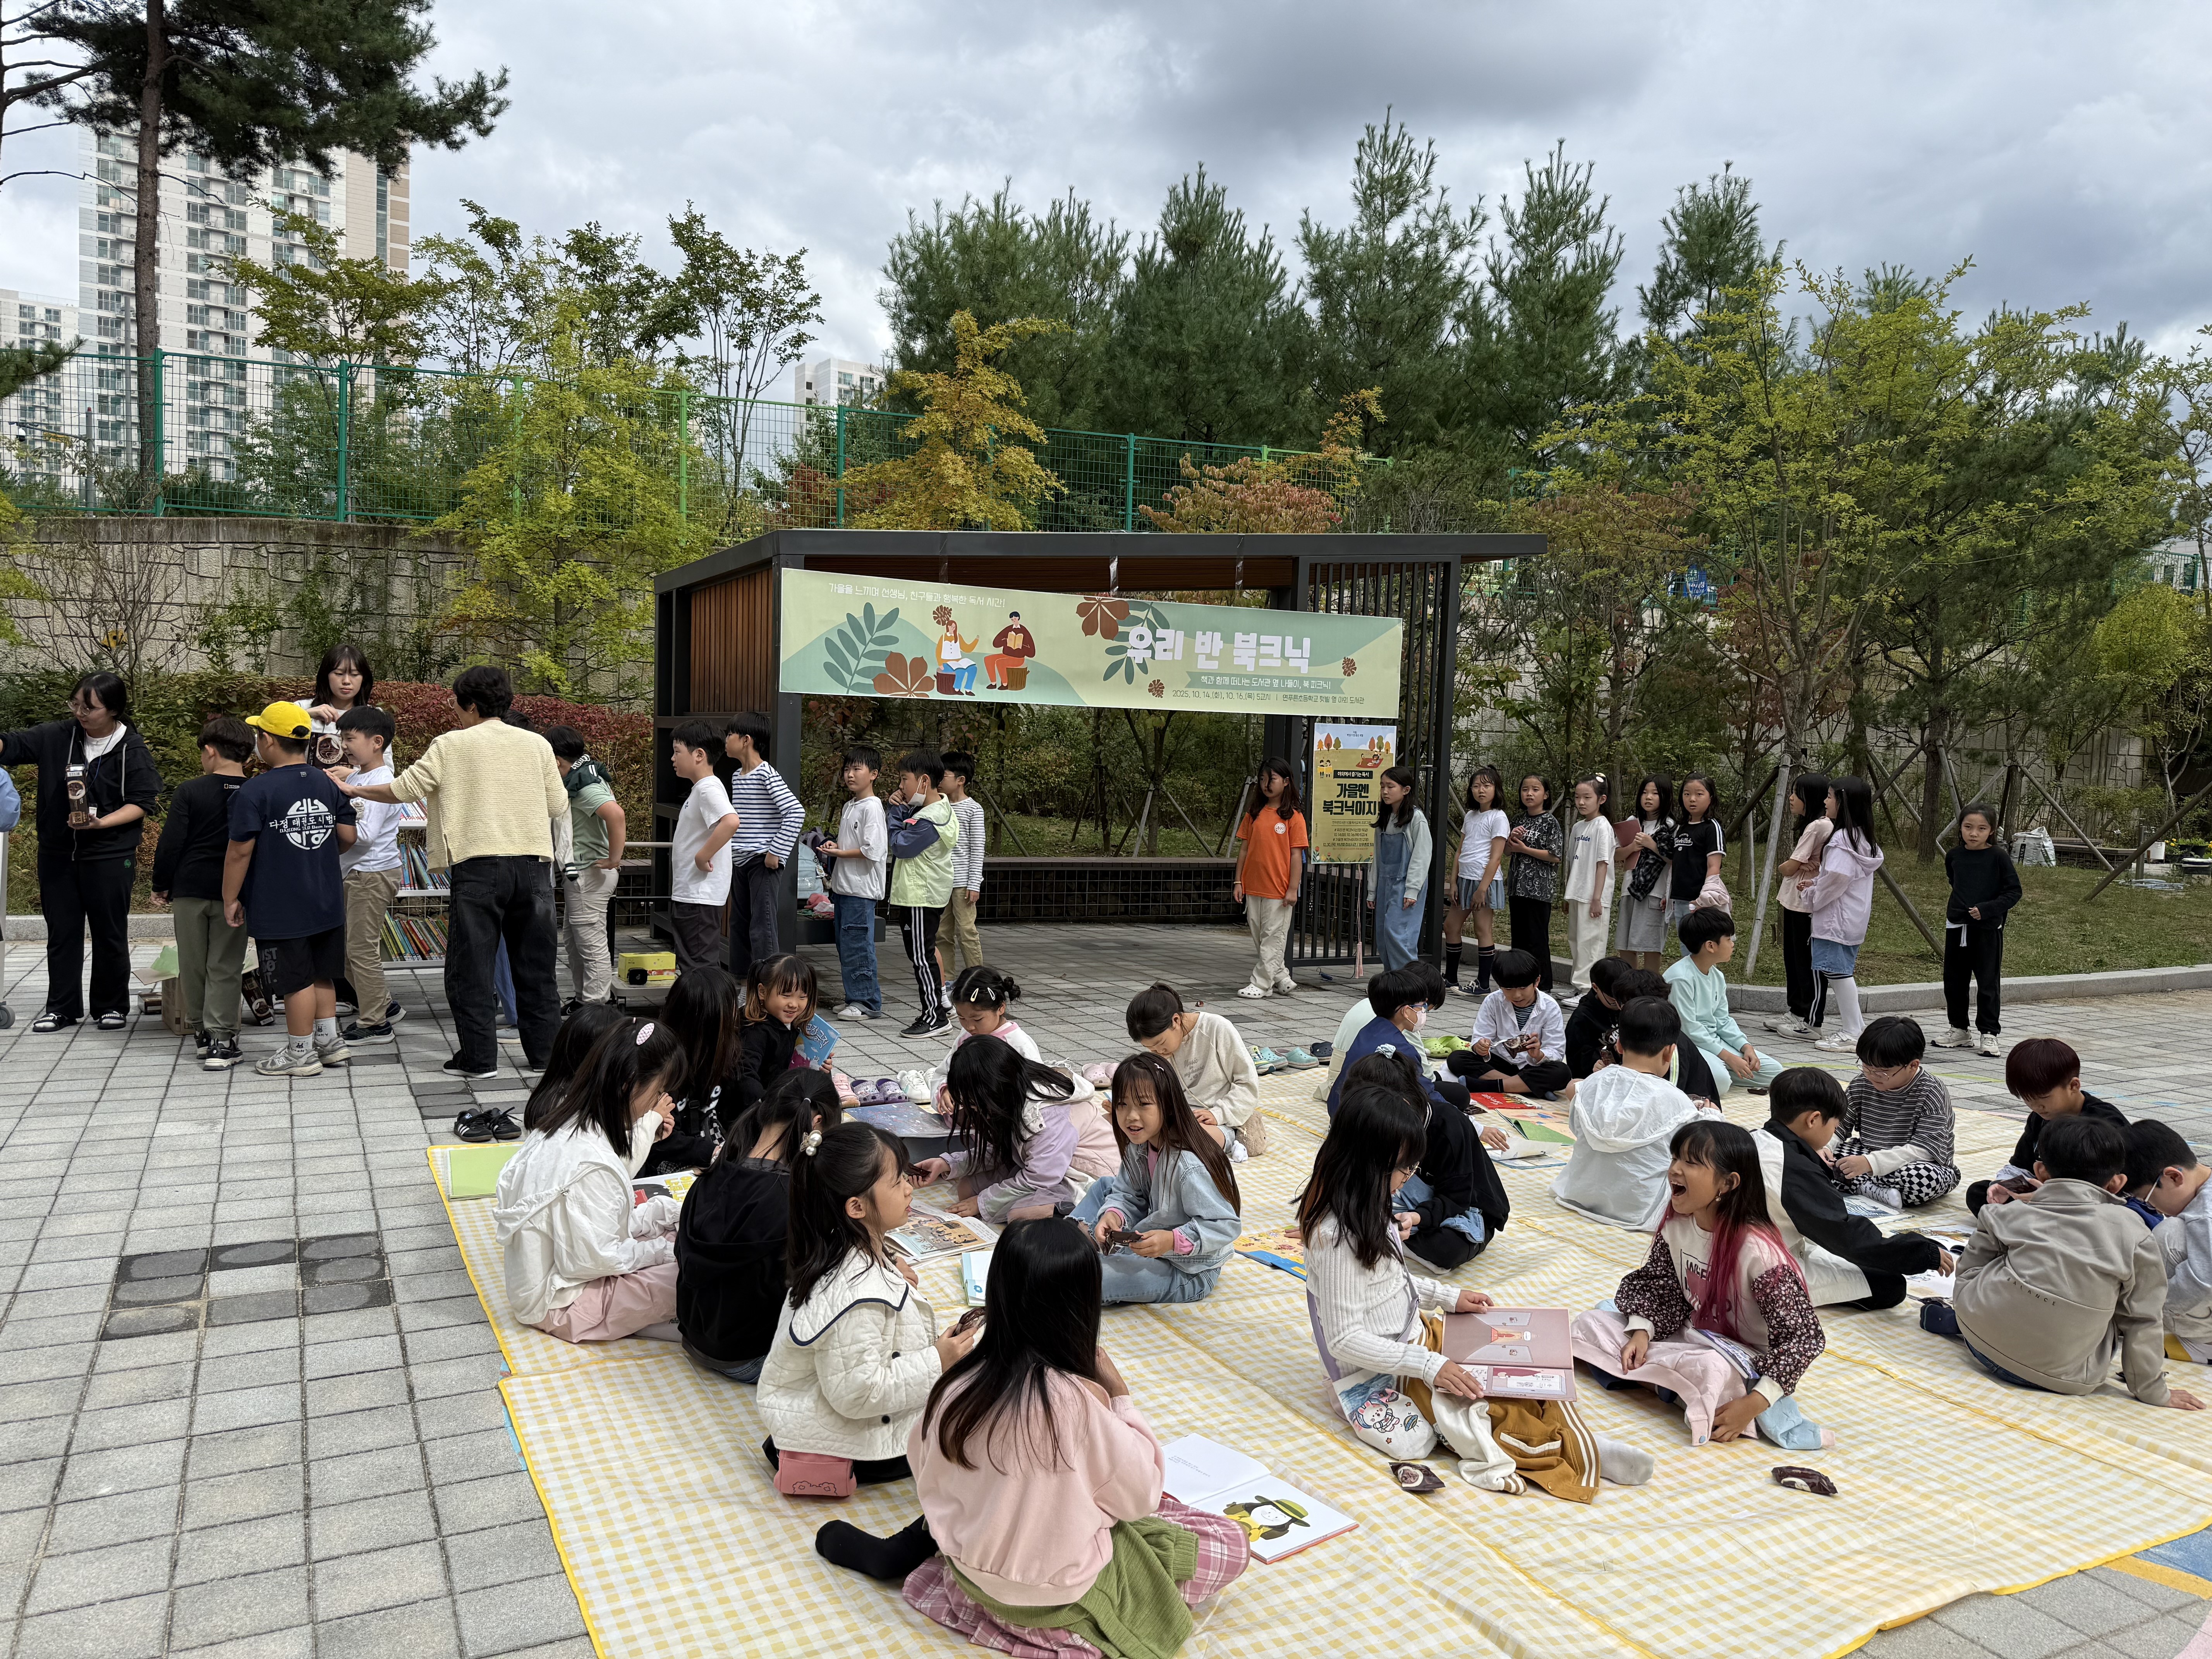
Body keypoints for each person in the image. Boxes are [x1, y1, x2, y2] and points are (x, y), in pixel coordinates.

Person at [901, 1218, 1252, 1645]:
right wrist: (1120, 1397)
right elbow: (1140, 1498)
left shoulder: (955, 1386)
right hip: (1056, 1594)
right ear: (1082, 1305)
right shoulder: (1077, 1403)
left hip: (971, 1575)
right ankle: (1066, 1629)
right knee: (1230, 1541)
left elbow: (924, 1468)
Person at [1300, 1083, 1651, 1498]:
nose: (1408, 1179)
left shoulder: (1371, 1206)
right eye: (1404, 1170)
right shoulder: (1335, 1237)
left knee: (1519, 1372)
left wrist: (1448, 1298)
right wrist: (1429, 1366)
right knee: (1483, 1406)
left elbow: (1390, 1282)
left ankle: (1569, 1437)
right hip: (1392, 1370)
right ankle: (1574, 1450)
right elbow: (1345, 1340)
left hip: (1416, 1336)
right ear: (1366, 1164)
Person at [340, 666, 567, 1080]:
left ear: (471, 706)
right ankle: (545, 1058)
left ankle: (479, 1061)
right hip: (534, 867)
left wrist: (354, 788)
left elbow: (403, 790)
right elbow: (556, 805)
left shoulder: (451, 745)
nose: (456, 714)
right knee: (536, 968)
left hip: (478, 867)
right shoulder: (536, 745)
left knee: (471, 969)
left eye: (457, 706)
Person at [756, 1120, 980, 1511]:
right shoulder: (856, 1292)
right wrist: (937, 1361)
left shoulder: (847, 1251)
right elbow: (858, 1393)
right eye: (897, 1183)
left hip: (824, 1420)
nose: (910, 1189)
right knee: (972, 1424)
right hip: (853, 1443)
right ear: (857, 1208)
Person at [1572, 1119, 1831, 1448]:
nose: (1675, 1170)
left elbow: (1804, 1338)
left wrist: (1754, 1404)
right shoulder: (1677, 1226)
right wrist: (1641, 1332)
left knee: (1711, 1369)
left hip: (1740, 1360)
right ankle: (1670, 1386)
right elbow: (1660, 1286)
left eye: (1691, 1163)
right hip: (1693, 1335)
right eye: (1675, 1158)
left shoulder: (1760, 1255)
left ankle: (1663, 1384)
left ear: (1728, 1183)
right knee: (1592, 1321)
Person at [1939, 1115, 2200, 1410]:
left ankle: (1977, 1318)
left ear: (2040, 1172)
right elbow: (2144, 1319)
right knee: (2122, 1299)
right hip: (2066, 1377)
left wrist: (1967, 1308)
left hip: (1979, 1340)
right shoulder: (2135, 1232)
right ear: (2118, 1183)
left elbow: (1969, 1272)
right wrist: (2154, 1392)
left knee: (2006, 1269)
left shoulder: (2005, 1214)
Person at [492, 1015, 687, 1341]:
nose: (660, 1102)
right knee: (694, 1272)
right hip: (560, 1302)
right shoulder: (592, 1162)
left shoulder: (569, 1121)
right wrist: (662, 1251)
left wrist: (664, 1219)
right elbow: (593, 1260)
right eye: (659, 1091)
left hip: (554, 1275)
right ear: (628, 1086)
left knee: (674, 1235)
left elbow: (597, 1222)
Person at [0, 672, 162, 1031]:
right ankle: (61, 1007)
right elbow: (11, 745)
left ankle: (110, 1006)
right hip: (58, 852)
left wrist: (103, 823)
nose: (80, 712)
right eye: (75, 704)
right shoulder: (56, 736)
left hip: (109, 852)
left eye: (90, 707)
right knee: (62, 931)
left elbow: (142, 802)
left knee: (109, 931)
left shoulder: (131, 747)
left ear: (114, 710)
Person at [675, 1068, 841, 1382]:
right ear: (817, 1122)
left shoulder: (713, 1176)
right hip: (749, 1357)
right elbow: (815, 1284)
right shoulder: (793, 1198)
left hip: (696, 1339)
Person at [225, 701, 358, 1077]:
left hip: (281, 902)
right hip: (327, 896)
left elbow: (239, 852)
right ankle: (330, 1043)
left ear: (267, 740)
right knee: (321, 973)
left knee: (294, 979)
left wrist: (230, 897)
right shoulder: (326, 782)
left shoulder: (255, 791)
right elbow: (347, 835)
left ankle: (300, 1053)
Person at [1753, 1068, 1951, 1309]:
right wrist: (1919, 1253)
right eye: (1834, 1125)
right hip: (1762, 1266)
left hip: (1749, 1248)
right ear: (1813, 1120)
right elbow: (1844, 1233)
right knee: (1889, 1285)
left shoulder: (1754, 1139)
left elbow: (1926, 1149)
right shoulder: (1795, 1169)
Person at [1070, 1053, 1242, 1305]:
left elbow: (1225, 1225)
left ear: (1169, 1106)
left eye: (1143, 1104)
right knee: (1104, 1188)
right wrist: (1114, 1215)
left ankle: (1077, 1261)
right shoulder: (1139, 1145)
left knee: (1082, 1280)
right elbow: (1128, 1194)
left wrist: (1172, 1241)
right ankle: (1072, 1247)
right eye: (1123, 1105)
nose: (1131, 1116)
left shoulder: (1189, 1166)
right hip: (1152, 1239)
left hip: (1188, 1271)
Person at [1551, 996, 1713, 1229]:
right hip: (1639, 1209)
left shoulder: (1593, 1084)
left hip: (1579, 1193)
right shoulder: (1678, 1102)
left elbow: (1575, 1105)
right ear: (1670, 1053)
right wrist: (1711, 1116)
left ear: (1619, 1046)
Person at [915, 1040, 1117, 1223]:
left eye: (975, 1104)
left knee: (1021, 1215)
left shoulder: (1047, 1117)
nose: (975, 1111)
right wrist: (947, 1164)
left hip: (1088, 1176)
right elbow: (1001, 1150)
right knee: (966, 1189)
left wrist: (982, 1202)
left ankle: (1069, 1219)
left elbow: (1040, 1178)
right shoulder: (1011, 1095)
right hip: (1044, 1168)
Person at [149, 716, 252, 1070]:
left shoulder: (190, 791)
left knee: (192, 963)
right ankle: (223, 1039)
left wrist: (161, 885)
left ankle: (200, 1034)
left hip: (190, 888)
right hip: (236, 892)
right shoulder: (255, 790)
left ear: (210, 751)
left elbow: (171, 843)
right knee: (225, 963)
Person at [1356, 1047, 1510, 1271]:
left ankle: (1393, 1235)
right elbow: (1343, 1165)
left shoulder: (1448, 1127)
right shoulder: (1372, 1120)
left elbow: (1457, 1198)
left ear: (1405, 1104)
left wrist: (1416, 1218)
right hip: (1410, 1191)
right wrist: (1327, 1220)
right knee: (1354, 1209)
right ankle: (1388, 1230)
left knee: (1446, 1249)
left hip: (1465, 1204)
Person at [1968, 1036, 2130, 1214]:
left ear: (2073, 1086)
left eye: (2043, 1099)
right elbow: (2022, 1166)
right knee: (1980, 1192)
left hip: (2087, 1202)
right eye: (2028, 1100)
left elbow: (2116, 1187)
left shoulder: (2105, 1124)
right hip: (2043, 1194)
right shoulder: (2040, 1117)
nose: (2036, 1107)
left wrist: (2048, 1197)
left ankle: (2026, 1222)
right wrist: (2005, 1187)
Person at [330, 706, 405, 1048]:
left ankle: (375, 1023)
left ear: (377, 742)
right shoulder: (359, 776)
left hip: (371, 873)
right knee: (350, 951)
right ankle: (384, 1005)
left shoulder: (381, 781)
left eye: (350, 738)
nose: (344, 745)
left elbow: (366, 834)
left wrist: (330, 827)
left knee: (361, 950)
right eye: (343, 738)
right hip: (356, 873)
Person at [1829, 1016, 1960, 1209]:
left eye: (1882, 1072)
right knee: (1819, 1157)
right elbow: (1839, 1126)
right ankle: (1871, 1189)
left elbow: (1924, 1150)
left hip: (1915, 1163)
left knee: (1920, 1178)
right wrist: (1826, 1148)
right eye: (1867, 1067)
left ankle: (1860, 1185)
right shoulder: (1861, 1084)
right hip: (1867, 1153)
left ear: (1913, 1066)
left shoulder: (1931, 1091)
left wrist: (1870, 1163)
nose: (1872, 1075)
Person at [1124, 982, 1266, 1156]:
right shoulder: (1162, 1049)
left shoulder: (1216, 1028)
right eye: (1151, 1049)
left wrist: (1218, 1114)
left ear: (1176, 1021)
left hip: (1215, 1121)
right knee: (1111, 1126)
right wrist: (1127, 1105)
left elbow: (1248, 1084)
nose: (1159, 1052)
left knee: (1183, 1142)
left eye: (1160, 1044)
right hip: (1174, 1117)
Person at [544, 725, 626, 1011]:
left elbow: (616, 815)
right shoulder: (585, 775)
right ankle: (583, 1001)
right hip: (581, 875)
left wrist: (614, 859)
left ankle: (595, 1009)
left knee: (591, 947)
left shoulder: (585, 787)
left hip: (589, 875)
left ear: (556, 761)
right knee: (576, 943)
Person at [1662, 907, 1783, 1101]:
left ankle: (1715, 1070)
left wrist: (1745, 1047)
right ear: (1711, 946)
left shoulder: (1717, 976)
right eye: (1729, 939)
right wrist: (1728, 1056)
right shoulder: (1680, 978)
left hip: (1715, 1043)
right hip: (1688, 1046)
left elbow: (1723, 1020)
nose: (1733, 944)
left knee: (1775, 1073)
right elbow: (1689, 1029)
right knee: (1721, 1082)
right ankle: (1714, 1071)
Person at [1799, 776, 1882, 1054]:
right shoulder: (1861, 838)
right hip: (1851, 919)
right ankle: (1855, 1028)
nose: (1825, 801)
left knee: (1838, 973)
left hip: (1836, 920)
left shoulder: (1841, 840)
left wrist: (1812, 894)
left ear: (1843, 801)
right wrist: (1816, 883)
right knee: (1840, 972)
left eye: (1831, 797)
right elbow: (1839, 878)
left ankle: (1852, 1031)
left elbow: (1836, 879)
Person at [721, 712, 803, 983]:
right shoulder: (736, 776)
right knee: (739, 922)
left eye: (730, 735)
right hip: (741, 859)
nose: (726, 740)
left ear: (746, 741)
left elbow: (795, 812)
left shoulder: (767, 774)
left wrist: (776, 852)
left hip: (762, 861)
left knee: (762, 925)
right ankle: (741, 978)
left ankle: (769, 982)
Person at [1935, 803, 2020, 1057]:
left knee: (1987, 982)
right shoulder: (1954, 856)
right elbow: (1955, 881)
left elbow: (2014, 892)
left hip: (1987, 928)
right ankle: (1959, 1030)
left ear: (1991, 831)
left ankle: (1989, 1033)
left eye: (1981, 829)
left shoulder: (1999, 857)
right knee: (1954, 981)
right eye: (1968, 827)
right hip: (1957, 926)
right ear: (1960, 828)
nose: (1974, 833)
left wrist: (1988, 909)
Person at [887, 747, 960, 1037]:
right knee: (922, 954)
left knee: (922, 957)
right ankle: (936, 1012)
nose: (902, 787)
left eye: (905, 780)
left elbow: (900, 845)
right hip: (919, 895)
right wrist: (901, 808)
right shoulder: (931, 810)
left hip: (921, 896)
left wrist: (895, 812)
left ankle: (935, 1017)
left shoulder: (931, 819)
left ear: (924, 782)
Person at [816, 745, 888, 1021]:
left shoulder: (873, 807)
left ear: (874, 774)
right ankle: (854, 997)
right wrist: (838, 846)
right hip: (844, 888)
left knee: (859, 946)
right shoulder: (850, 806)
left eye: (857, 769)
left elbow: (874, 850)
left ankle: (867, 1002)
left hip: (861, 891)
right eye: (847, 769)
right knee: (846, 945)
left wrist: (839, 852)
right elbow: (854, 845)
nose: (850, 775)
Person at [2130, 1121, 2212, 1361]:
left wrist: (2146, 1312)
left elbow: (2205, 1282)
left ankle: (2203, 1342)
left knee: (2168, 1235)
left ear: (2174, 1177)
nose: (2153, 1208)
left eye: (2148, 1200)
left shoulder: (2204, 1215)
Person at [665, 721, 739, 980]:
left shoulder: (708, 788)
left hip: (699, 895)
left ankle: (706, 1018)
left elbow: (731, 821)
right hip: (693, 894)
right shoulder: (702, 789)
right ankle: (702, 1015)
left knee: (699, 969)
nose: (672, 758)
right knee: (694, 965)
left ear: (699, 755)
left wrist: (702, 856)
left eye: (677, 751)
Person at [1233, 756, 1309, 1000]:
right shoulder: (1254, 814)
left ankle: (1262, 984)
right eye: (1263, 779)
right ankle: (1281, 977)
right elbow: (1244, 850)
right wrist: (1239, 882)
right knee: (1260, 936)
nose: (1267, 784)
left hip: (1279, 891)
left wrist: (1293, 889)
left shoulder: (1294, 817)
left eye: (1272, 779)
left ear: (1286, 782)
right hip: (1253, 887)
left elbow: (1296, 857)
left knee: (1273, 938)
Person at [1450, 948, 1570, 1099]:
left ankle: (1488, 1086)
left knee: (1562, 1073)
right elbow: (1481, 1035)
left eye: (1523, 988)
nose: (1517, 995)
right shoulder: (1493, 1001)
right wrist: (1480, 1046)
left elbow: (1557, 1051)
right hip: (1500, 1062)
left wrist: (1539, 1054)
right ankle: (1526, 1087)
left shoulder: (1550, 1007)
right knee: (1457, 1058)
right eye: (1508, 989)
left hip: (1531, 1066)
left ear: (1537, 982)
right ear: (1500, 986)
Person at [1765, 774, 1832, 1039]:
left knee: (1804, 961)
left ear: (1811, 798)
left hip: (1806, 903)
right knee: (1792, 959)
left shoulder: (1818, 826)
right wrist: (1797, 866)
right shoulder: (1818, 826)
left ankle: (1808, 1017)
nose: (1791, 798)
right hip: (1795, 900)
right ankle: (1795, 1011)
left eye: (1797, 793)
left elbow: (1787, 867)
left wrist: (1792, 866)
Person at [1444, 765, 1510, 997]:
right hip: (1464, 879)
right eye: (1476, 786)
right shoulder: (1471, 816)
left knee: (1483, 930)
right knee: (1451, 926)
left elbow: (1496, 856)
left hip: (1485, 881)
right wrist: (1453, 882)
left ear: (1496, 789)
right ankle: (1450, 979)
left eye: (1487, 785)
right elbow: (1460, 851)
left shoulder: (1499, 817)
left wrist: (1483, 889)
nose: (1481, 790)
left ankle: (1483, 984)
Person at [659, 965, 744, 1141]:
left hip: (715, 1145)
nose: (737, 1012)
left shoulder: (729, 1050)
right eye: (732, 1005)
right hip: (673, 1158)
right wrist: (712, 1155)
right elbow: (664, 1141)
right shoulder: (663, 1068)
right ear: (712, 1018)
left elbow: (734, 1116)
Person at [732, 953, 823, 1117]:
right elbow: (744, 1076)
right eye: (786, 995)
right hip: (754, 1113)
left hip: (780, 1101)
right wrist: (768, 1107)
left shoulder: (792, 1024)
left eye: (803, 997)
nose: (794, 1004)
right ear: (762, 992)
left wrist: (820, 1067)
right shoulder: (756, 1030)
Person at [1369, 764, 1431, 972]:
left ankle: (1410, 982)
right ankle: (1393, 981)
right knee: (1383, 935)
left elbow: (1422, 857)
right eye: (1382, 786)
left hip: (1407, 884)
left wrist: (1413, 890)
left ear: (1406, 790)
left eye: (1391, 786)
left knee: (1399, 933)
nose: (1385, 791)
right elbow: (1377, 858)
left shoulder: (1416, 819)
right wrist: (1372, 890)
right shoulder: (1385, 818)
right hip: (1386, 884)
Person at [1505, 773, 1563, 991]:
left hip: (1539, 891)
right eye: (1525, 790)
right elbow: (1508, 851)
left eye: (1535, 790)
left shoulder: (1550, 822)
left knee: (1537, 939)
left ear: (1546, 795)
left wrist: (1525, 849)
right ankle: (1520, 980)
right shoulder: (1518, 820)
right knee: (1519, 939)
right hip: (1517, 888)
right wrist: (1512, 840)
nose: (1529, 794)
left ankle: (1543, 984)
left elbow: (1555, 855)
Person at [1614, 775, 1677, 971]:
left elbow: (1676, 859)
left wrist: (1653, 845)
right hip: (1629, 890)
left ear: (1665, 797)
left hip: (1654, 895)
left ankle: (1651, 993)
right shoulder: (1632, 823)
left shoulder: (1670, 825)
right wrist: (1634, 846)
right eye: (1644, 793)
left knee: (1650, 947)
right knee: (1625, 946)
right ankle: (1632, 989)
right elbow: (1617, 854)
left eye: (1655, 793)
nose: (1648, 797)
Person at [1561, 775, 1613, 993]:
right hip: (1577, 893)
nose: (1581, 802)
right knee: (1577, 941)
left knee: (1591, 944)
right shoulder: (1577, 827)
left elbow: (1603, 865)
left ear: (1601, 799)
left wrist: (1597, 899)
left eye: (1587, 797)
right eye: (1577, 797)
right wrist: (1568, 895)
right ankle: (1579, 986)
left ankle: (1590, 991)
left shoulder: (1603, 827)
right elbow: (1574, 863)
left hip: (1594, 897)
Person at [940, 750, 988, 984]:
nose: (939, 779)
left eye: (944, 775)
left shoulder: (973, 809)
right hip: (941, 881)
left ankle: (977, 978)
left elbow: (977, 849)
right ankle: (947, 980)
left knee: (967, 932)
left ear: (961, 780)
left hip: (962, 884)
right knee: (941, 933)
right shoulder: (938, 806)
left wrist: (974, 883)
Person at [1667, 774, 1724, 954]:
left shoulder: (1711, 827)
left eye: (1699, 794)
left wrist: (1705, 898)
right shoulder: (1680, 827)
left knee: (1703, 950)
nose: (1692, 799)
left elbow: (1714, 866)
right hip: (1680, 898)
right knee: (1686, 948)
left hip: (1700, 901)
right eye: (1687, 794)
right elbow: (1675, 863)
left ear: (1711, 799)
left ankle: (1706, 982)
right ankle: (1690, 982)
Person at [945, 966, 1040, 1064]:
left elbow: (1038, 1077)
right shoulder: (966, 1035)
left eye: (978, 1019)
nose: (969, 1027)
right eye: (962, 1018)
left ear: (1001, 1008)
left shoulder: (1019, 1044)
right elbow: (944, 1071)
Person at [983, 610, 1037, 690]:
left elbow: (1032, 653)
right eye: (1012, 619)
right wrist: (1007, 641)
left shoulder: (1024, 631)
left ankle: (1005, 684)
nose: (1014, 620)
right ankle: (993, 683)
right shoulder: (1009, 629)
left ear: (1018, 618)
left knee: (1000, 663)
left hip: (1018, 659)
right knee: (988, 659)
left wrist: (1022, 646)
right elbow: (996, 643)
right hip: (1006, 655)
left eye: (1015, 618)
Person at [935, 615, 981, 696]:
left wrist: (976, 641)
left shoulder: (958, 636)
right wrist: (940, 663)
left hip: (959, 661)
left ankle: (968, 690)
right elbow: (938, 651)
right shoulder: (943, 637)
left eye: (955, 627)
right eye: (952, 627)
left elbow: (967, 649)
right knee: (961, 671)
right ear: (948, 627)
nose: (954, 629)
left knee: (973, 669)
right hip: (946, 662)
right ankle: (957, 689)